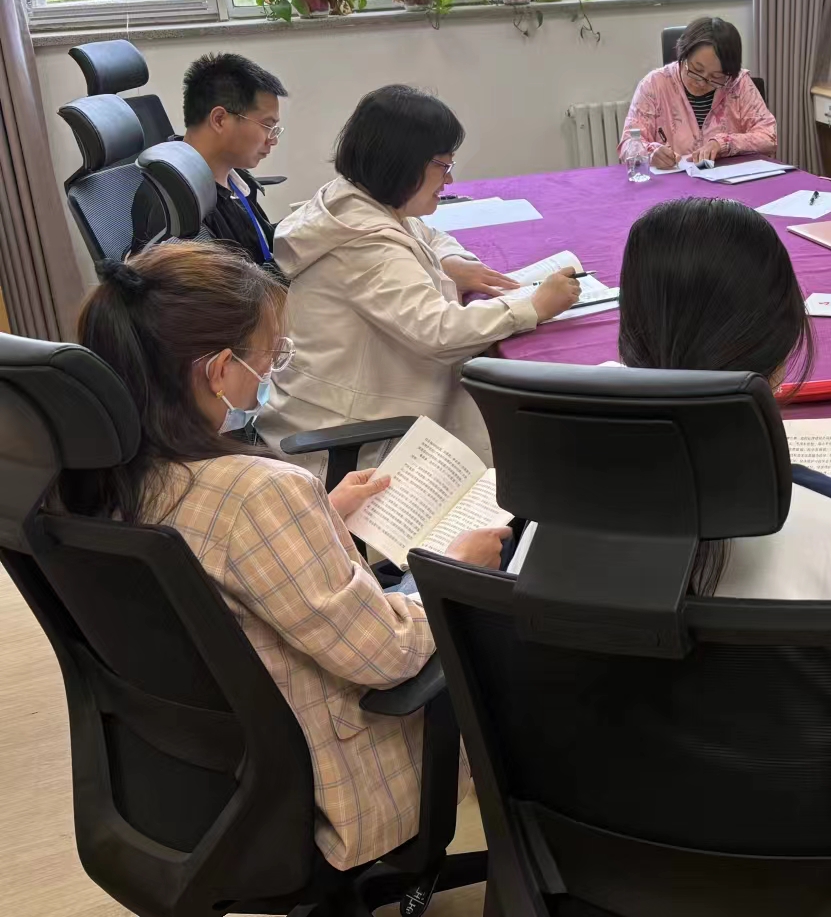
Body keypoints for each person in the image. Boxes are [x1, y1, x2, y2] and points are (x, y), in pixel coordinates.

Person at [59, 242, 509, 871]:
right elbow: (387, 655)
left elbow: (218, 568)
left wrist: (322, 514)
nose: (274, 370)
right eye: (273, 356)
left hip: (203, 772)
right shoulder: (256, 495)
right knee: (506, 621)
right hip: (335, 781)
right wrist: (456, 566)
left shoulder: (98, 477)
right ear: (219, 370)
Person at [612, 197, 831, 862]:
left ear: (629, 336)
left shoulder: (546, 517)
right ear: (782, 346)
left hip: (605, 844)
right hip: (827, 865)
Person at [261, 85, 580, 462]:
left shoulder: (352, 201)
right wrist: (532, 307)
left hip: (342, 406)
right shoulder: (367, 247)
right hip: (351, 440)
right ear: (402, 164)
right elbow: (439, 333)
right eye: (443, 166)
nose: (449, 181)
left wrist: (450, 261)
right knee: (536, 445)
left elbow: (427, 234)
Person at [128, 52, 287, 267]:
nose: (273, 140)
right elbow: (224, 286)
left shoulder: (232, 176)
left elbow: (259, 244)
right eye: (267, 126)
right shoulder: (178, 205)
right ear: (220, 119)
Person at [617, 17, 777, 171]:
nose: (702, 82)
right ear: (683, 55)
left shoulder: (738, 83)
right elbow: (628, 144)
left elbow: (768, 137)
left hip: (728, 182)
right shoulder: (654, 85)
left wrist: (723, 143)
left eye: (716, 77)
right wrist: (651, 152)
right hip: (674, 183)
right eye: (696, 70)